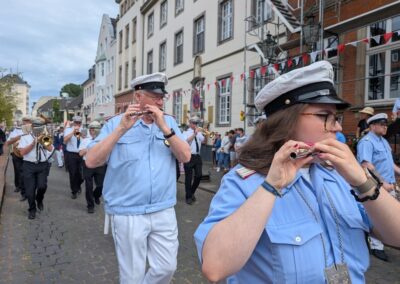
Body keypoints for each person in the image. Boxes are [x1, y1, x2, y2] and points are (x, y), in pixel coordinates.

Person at [194, 61, 400, 283]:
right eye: (325, 116)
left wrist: (362, 182)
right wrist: (270, 188)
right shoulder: (244, 181)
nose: (338, 127)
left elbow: (395, 235)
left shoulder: (338, 175)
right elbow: (215, 267)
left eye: (337, 118)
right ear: (287, 121)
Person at [85, 72, 191, 283]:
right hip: (127, 211)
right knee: (132, 275)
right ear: (138, 96)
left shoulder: (168, 122)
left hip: (163, 209)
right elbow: (91, 161)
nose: (160, 101)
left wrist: (165, 129)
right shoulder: (116, 123)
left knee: (166, 268)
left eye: (162, 97)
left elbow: (185, 156)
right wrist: (121, 130)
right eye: (155, 96)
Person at [356, 113, 400, 262]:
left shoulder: (384, 142)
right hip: (377, 187)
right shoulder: (367, 142)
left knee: (388, 215)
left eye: (386, 124)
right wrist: (382, 183)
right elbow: (366, 165)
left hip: (390, 185)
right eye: (382, 124)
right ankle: (376, 246)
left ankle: (387, 238)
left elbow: (390, 163)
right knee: (377, 216)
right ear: (372, 126)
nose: (385, 127)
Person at [18, 117, 54, 220]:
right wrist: (33, 143)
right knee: (29, 191)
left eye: (40, 127)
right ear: (32, 127)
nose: (38, 129)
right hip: (28, 165)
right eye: (36, 127)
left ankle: (39, 199)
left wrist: (42, 141)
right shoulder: (25, 137)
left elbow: (50, 148)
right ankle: (32, 210)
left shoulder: (45, 136)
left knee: (42, 186)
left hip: (42, 165)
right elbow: (22, 152)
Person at [79, 122, 106, 214]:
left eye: (93, 129)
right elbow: (80, 153)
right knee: (88, 186)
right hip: (88, 164)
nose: (91, 131)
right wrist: (89, 148)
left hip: (100, 164)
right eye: (90, 129)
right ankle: (90, 205)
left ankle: (96, 195)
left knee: (101, 185)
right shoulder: (85, 140)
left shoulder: (104, 139)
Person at [6, 116, 32, 201]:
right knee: (17, 171)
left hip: (26, 154)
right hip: (16, 154)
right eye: (24, 121)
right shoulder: (15, 130)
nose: (25, 123)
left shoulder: (31, 130)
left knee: (25, 172)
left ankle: (24, 188)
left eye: (27, 121)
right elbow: (9, 141)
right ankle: (18, 186)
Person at [183, 116, 205, 205]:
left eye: (197, 123)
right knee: (188, 178)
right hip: (188, 156)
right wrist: (194, 134)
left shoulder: (199, 132)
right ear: (190, 123)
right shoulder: (185, 132)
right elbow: (186, 141)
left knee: (199, 175)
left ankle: (191, 192)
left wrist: (202, 132)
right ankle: (188, 197)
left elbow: (203, 141)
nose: (196, 125)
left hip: (197, 156)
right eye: (194, 123)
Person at [64, 116, 84, 199]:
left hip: (82, 154)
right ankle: (74, 191)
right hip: (71, 154)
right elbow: (65, 140)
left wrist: (82, 134)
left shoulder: (84, 130)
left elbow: (88, 140)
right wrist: (73, 132)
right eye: (76, 123)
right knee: (72, 173)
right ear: (74, 122)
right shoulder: (68, 130)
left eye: (79, 123)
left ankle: (78, 184)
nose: (78, 124)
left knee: (82, 175)